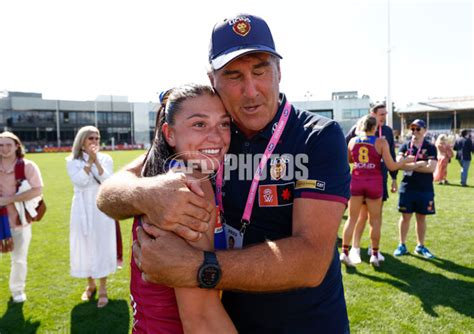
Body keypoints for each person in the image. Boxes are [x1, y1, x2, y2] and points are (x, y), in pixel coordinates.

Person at [98, 13, 351, 333]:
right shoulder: (208, 140)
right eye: (233, 75)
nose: (250, 90)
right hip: (229, 322)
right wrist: (149, 193)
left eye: (260, 71)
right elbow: (108, 194)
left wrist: (198, 268)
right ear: (213, 80)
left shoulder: (317, 136)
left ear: (279, 72)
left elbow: (311, 260)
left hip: (309, 324)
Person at [130, 84, 236, 333]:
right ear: (169, 134)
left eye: (224, 124)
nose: (217, 137)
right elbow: (200, 319)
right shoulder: (189, 184)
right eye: (199, 124)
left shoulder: (164, 171)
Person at [341, 115, 411, 267]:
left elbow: (349, 160)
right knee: (375, 220)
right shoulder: (381, 142)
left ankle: (344, 252)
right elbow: (392, 166)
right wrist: (404, 161)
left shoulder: (353, 141)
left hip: (356, 182)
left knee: (352, 219)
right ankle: (374, 254)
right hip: (374, 183)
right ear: (375, 128)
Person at [66, 126, 116, 308]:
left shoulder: (106, 159)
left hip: (100, 207)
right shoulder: (72, 161)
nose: (95, 142)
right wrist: (89, 163)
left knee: (101, 243)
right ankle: (90, 284)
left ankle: (103, 287)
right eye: (90, 139)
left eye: (97, 138)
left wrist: (97, 162)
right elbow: (80, 181)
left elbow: (108, 181)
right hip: (81, 208)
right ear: (82, 141)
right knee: (85, 243)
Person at [0, 131, 44, 303]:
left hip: (20, 221)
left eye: (8, 145)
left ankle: (17, 290)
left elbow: (38, 189)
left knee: (19, 259)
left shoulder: (27, 166)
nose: (4, 149)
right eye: (1, 145)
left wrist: (8, 200)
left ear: (17, 146)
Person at [394, 119, 437, 259]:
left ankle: (420, 246)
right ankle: (402, 245)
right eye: (412, 129)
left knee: (421, 218)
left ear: (424, 130)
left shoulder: (430, 147)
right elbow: (399, 164)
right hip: (407, 188)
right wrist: (419, 163)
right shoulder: (405, 146)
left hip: (425, 188)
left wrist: (410, 164)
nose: (415, 132)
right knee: (405, 217)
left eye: (418, 129)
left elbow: (431, 168)